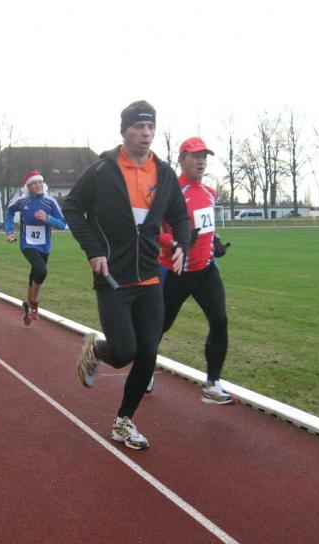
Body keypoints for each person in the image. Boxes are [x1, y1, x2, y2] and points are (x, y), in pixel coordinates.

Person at [64, 100, 190, 450]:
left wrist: (182, 244)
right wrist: (93, 249)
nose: (146, 133)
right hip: (113, 277)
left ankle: (124, 421)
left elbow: (180, 216)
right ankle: (96, 349)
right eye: (139, 127)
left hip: (150, 277)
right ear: (124, 131)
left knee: (148, 353)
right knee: (123, 352)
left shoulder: (163, 173)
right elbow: (72, 207)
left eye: (151, 127)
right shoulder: (102, 170)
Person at [159, 136, 233, 404]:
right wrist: (174, 241)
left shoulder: (210, 193)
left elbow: (205, 230)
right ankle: (142, 368)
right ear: (181, 160)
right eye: (195, 156)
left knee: (220, 320)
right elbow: (153, 231)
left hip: (205, 269)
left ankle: (212, 384)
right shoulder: (170, 193)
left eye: (204, 157)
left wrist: (216, 243)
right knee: (159, 326)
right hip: (177, 271)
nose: (201, 162)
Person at [5, 170, 67, 325]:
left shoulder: (50, 201)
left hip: (44, 245)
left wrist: (48, 218)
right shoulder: (22, 201)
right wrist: (10, 232)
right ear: (28, 186)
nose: (38, 185)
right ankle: (34, 302)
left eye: (40, 182)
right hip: (27, 243)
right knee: (41, 271)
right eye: (34, 183)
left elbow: (62, 224)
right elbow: (9, 212)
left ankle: (27, 305)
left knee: (35, 274)